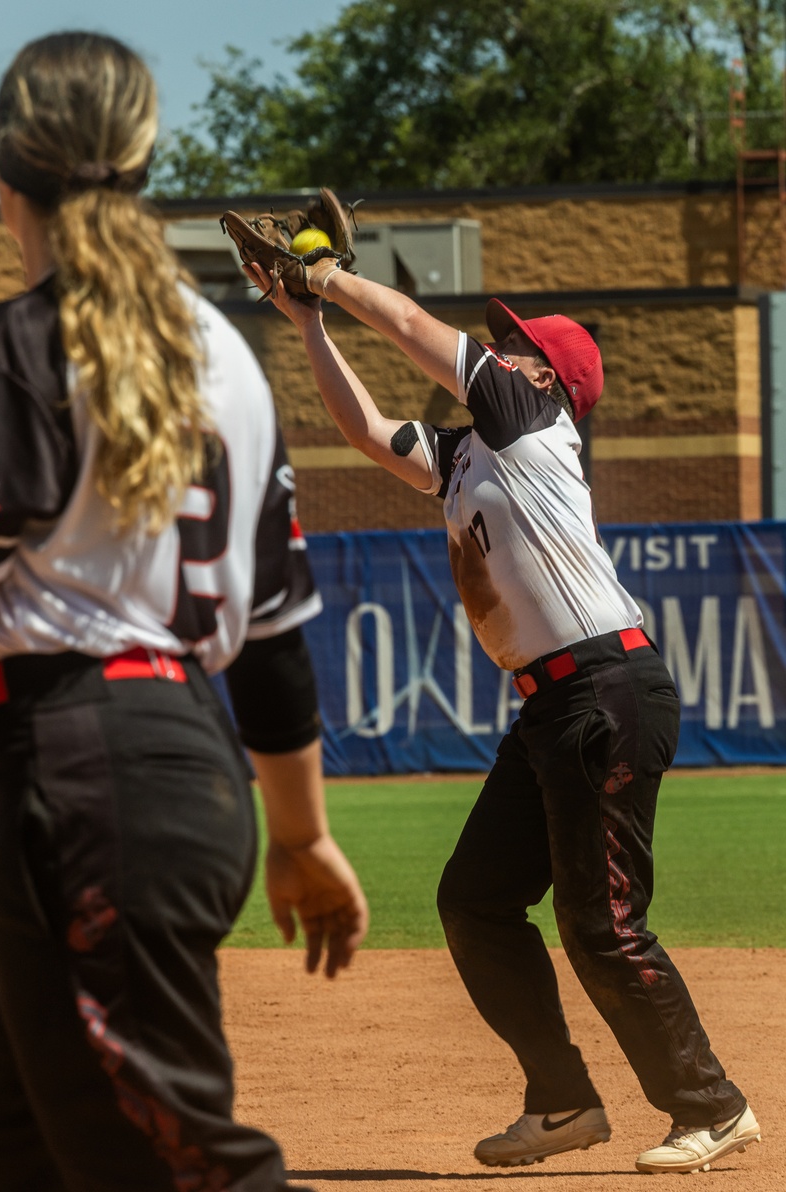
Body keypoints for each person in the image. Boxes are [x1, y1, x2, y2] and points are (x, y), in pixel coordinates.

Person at [0, 32, 367, 1192]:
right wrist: (298, 834)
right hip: (162, 784)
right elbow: (269, 645)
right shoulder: (230, 360)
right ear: (144, 164)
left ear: (6, 172)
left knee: (183, 1171)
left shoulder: (4, 353)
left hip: (79, 795)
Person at [247, 255, 760, 1176]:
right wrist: (305, 319)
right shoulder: (467, 456)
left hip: (605, 687)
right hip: (554, 707)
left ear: (540, 375)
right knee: (476, 901)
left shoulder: (533, 415)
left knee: (601, 923)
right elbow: (366, 430)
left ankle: (712, 1106)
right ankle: (562, 1100)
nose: (499, 346)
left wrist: (325, 274)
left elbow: (407, 322)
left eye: (513, 343)